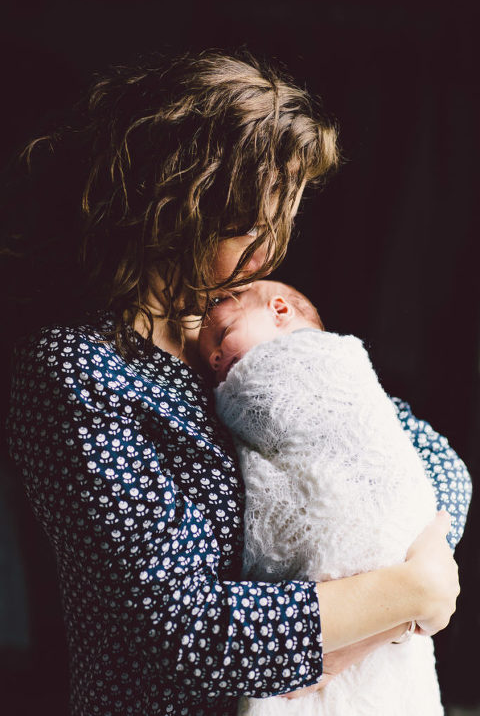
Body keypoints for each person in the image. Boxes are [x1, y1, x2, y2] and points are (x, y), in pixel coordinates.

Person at [3, 49, 467, 716]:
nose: (268, 255)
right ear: (170, 209)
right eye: (251, 227)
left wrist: (421, 573)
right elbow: (176, 630)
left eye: (280, 226)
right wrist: (409, 598)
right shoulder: (78, 370)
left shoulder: (244, 334)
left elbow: (429, 458)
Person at [198, 280, 471, 714]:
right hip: (290, 634)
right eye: (208, 357)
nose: (212, 357)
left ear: (280, 311)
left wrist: (415, 579)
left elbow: (441, 467)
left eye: (224, 331)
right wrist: (402, 602)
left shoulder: (331, 366)